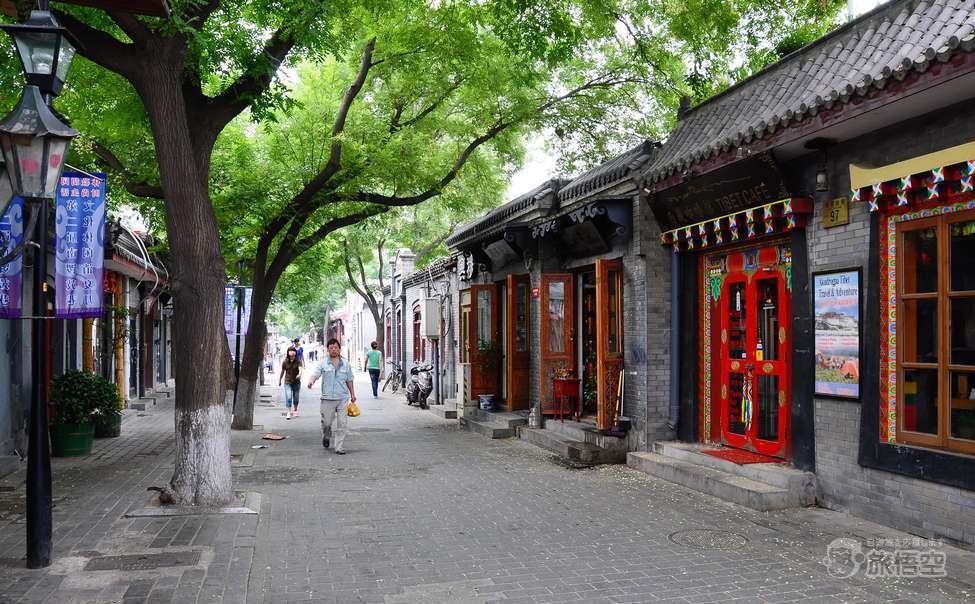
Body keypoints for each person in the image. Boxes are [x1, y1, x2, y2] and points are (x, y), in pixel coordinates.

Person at [307, 338, 356, 454]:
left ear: (340, 349)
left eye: (336, 347)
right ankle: (326, 436)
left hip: (342, 398)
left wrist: (353, 394)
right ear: (328, 350)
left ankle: (339, 447)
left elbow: (349, 380)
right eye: (331, 348)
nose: (334, 350)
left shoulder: (346, 364)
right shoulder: (323, 363)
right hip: (327, 398)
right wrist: (311, 381)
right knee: (326, 423)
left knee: (342, 423)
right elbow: (315, 374)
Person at [278, 346, 303, 419]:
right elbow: (282, 372)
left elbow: (300, 369)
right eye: (290, 351)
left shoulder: (298, 361)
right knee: (289, 397)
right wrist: (280, 380)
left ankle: (295, 410)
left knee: (296, 398)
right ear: (288, 353)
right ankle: (289, 412)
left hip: (296, 382)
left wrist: (299, 374)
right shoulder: (285, 362)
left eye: (293, 351)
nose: (292, 353)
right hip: (287, 382)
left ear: (295, 353)